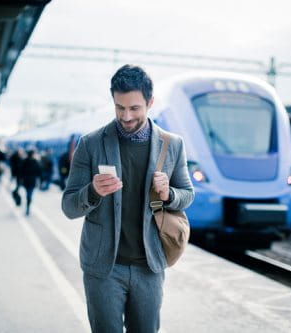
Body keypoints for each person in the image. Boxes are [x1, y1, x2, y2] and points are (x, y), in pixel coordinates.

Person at [61, 64, 194, 333]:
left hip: (150, 266)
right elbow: (69, 206)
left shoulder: (172, 145)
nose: (126, 116)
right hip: (104, 268)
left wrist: (169, 194)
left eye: (134, 108)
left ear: (150, 103)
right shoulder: (91, 143)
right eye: (119, 107)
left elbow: (188, 195)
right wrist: (93, 191)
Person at [20, 149, 42, 216]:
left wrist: (21, 178)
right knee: (30, 194)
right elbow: (39, 172)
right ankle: (28, 206)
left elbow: (21, 171)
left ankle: (28, 206)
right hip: (32, 181)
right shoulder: (35, 162)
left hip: (26, 180)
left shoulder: (24, 161)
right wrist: (40, 181)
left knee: (28, 193)